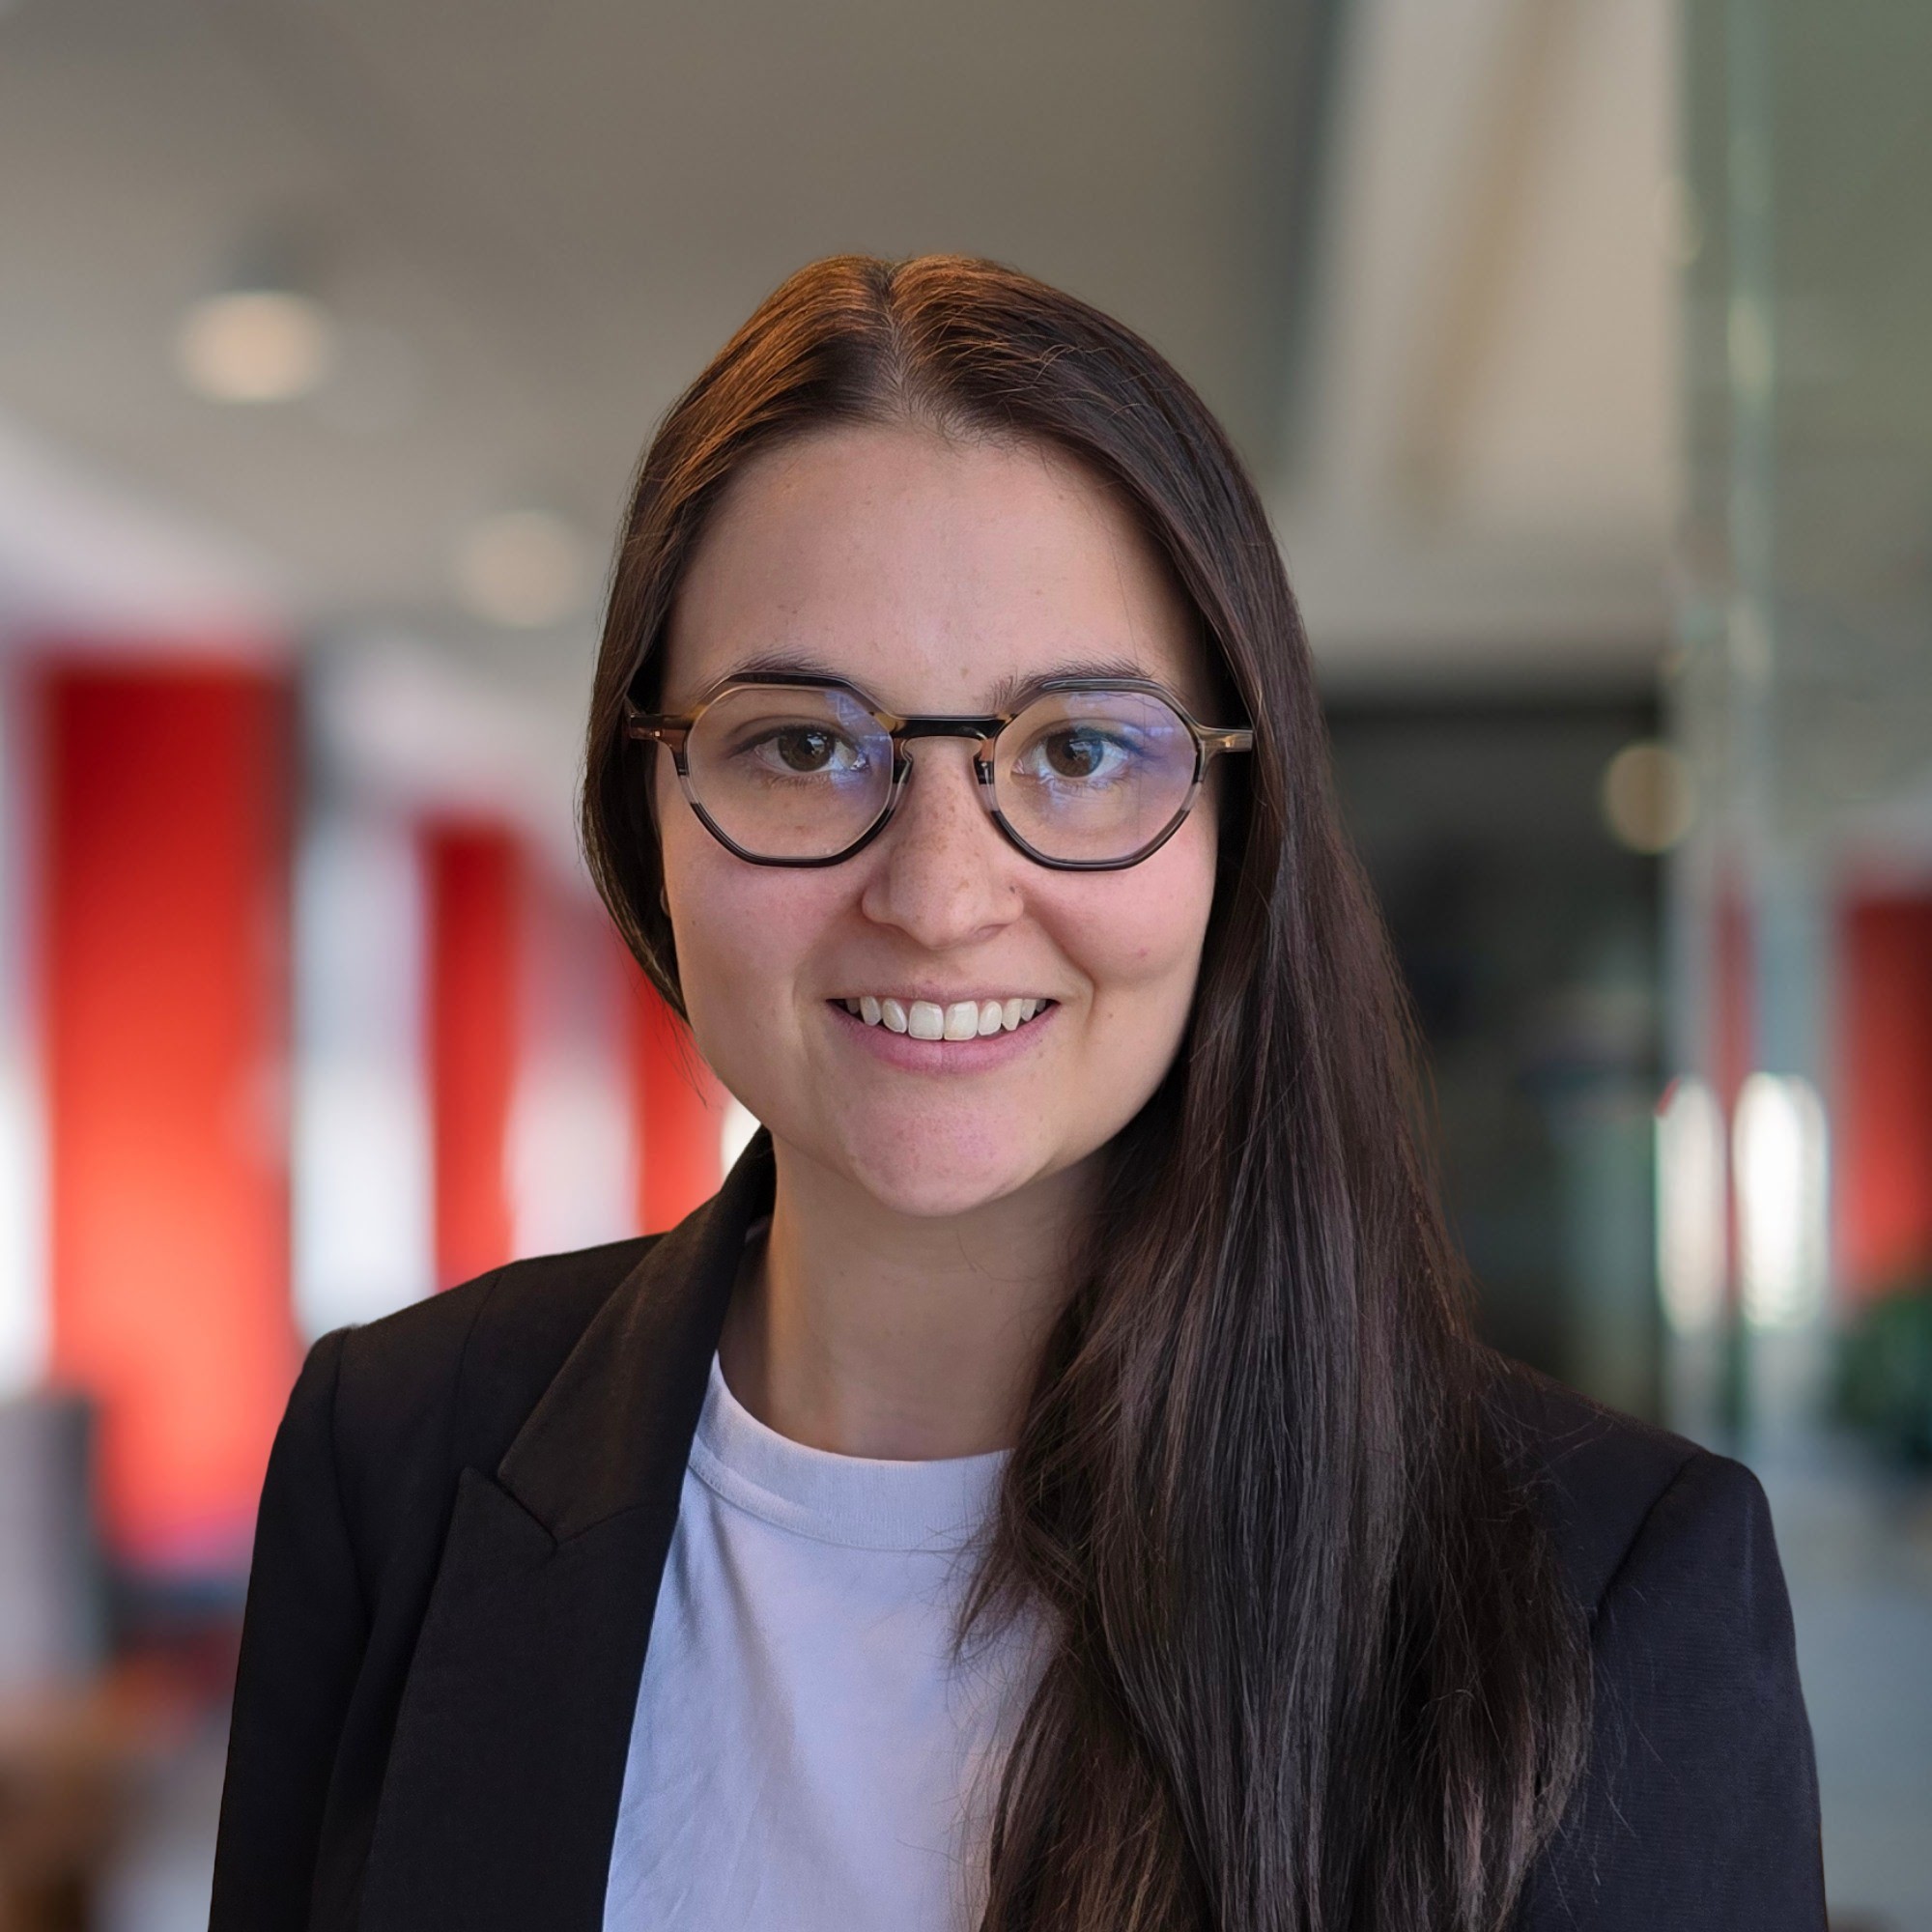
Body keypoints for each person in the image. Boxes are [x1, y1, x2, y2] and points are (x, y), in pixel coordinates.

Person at [210, 255, 1825, 1932]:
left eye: (1077, 750)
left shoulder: (1607, 1586)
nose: (937, 894)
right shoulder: (399, 1450)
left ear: (1240, 826)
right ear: (649, 809)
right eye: (803, 743)